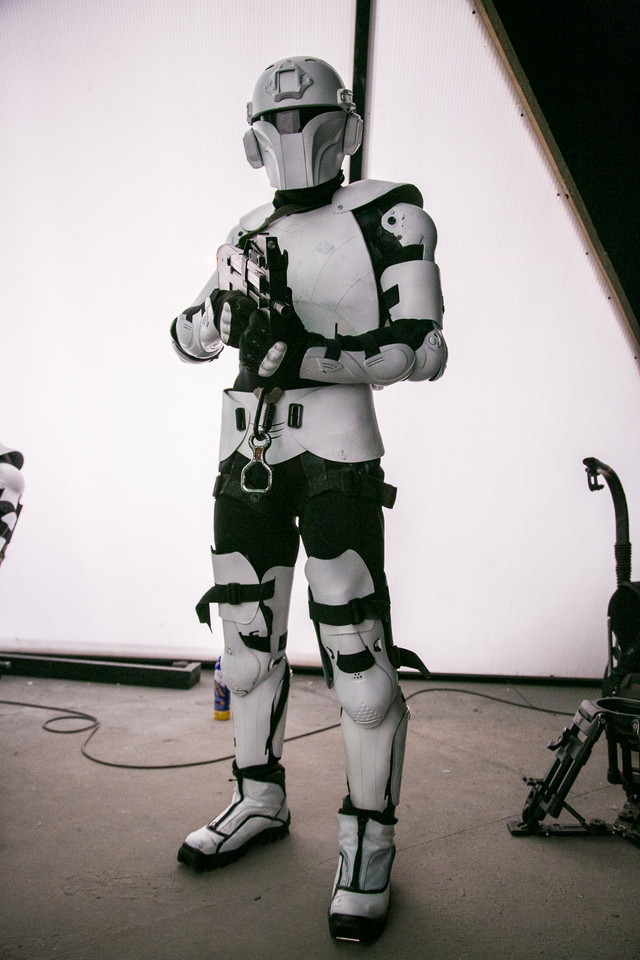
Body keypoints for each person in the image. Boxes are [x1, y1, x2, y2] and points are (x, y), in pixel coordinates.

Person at [171, 55, 447, 943]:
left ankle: (368, 838)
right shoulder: (246, 229)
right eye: (278, 123)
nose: (293, 136)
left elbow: (420, 349)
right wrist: (224, 319)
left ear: (345, 127)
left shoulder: (386, 210)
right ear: (255, 138)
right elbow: (188, 334)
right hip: (247, 449)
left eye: (308, 120)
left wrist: (304, 352)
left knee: (355, 654)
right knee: (244, 644)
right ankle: (257, 795)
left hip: (334, 453)